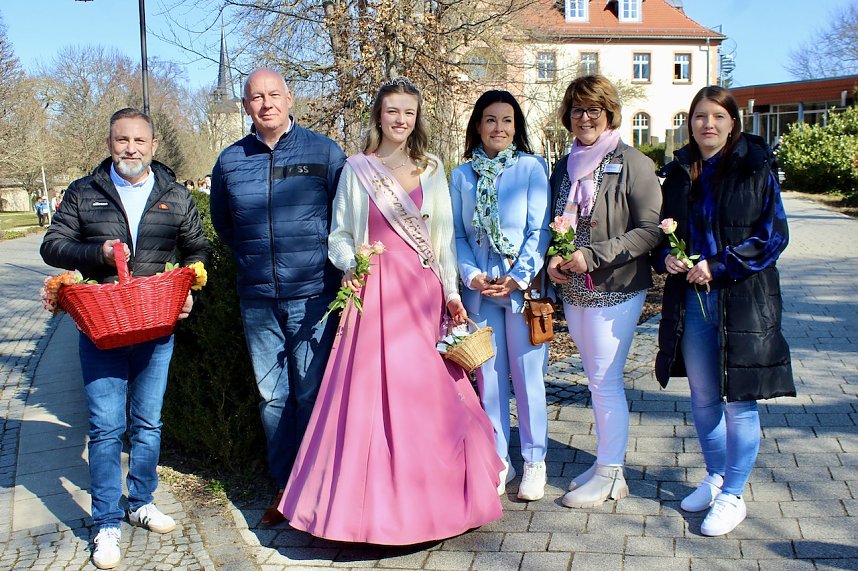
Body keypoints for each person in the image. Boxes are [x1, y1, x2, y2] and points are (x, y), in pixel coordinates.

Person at [279, 77, 503, 544]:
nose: (401, 120)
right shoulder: (357, 169)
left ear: (417, 118)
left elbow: (441, 240)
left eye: (409, 112)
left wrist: (452, 292)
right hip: (374, 295)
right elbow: (338, 236)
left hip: (421, 295)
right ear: (378, 115)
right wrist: (353, 259)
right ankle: (365, 513)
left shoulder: (432, 167)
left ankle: (433, 504)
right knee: (369, 402)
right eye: (393, 111)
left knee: (429, 398)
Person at [40, 108, 209, 570]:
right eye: (122, 140)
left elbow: (197, 248)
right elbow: (51, 244)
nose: (130, 148)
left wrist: (189, 287)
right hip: (103, 329)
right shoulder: (85, 192)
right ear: (110, 143)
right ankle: (107, 522)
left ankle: (141, 500)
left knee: (149, 424)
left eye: (139, 141)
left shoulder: (174, 194)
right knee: (106, 427)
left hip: (156, 328)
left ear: (154, 146)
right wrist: (94, 251)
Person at [209, 68, 346, 526]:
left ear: (289, 98)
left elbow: (344, 219)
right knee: (272, 398)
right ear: (246, 106)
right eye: (255, 98)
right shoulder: (230, 161)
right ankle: (284, 486)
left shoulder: (324, 152)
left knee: (311, 393)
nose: (265, 104)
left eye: (273, 95)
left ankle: (318, 486)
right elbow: (226, 226)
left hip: (314, 296)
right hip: (258, 298)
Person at [655, 85, 794, 536]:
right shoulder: (679, 172)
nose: (707, 124)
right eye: (699, 116)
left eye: (717, 116)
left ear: (733, 122)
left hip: (742, 301)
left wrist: (718, 265)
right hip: (691, 302)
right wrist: (667, 260)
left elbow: (774, 236)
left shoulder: (756, 167)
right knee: (702, 398)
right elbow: (661, 235)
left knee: (740, 400)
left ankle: (734, 494)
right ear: (690, 122)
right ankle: (715, 477)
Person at [545, 75, 662, 509]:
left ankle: (612, 475)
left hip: (615, 288)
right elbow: (559, 223)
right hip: (575, 291)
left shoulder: (632, 162)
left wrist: (592, 256)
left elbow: (649, 231)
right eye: (577, 110)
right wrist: (554, 260)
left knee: (605, 381)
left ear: (609, 112)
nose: (585, 117)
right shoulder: (567, 163)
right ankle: (603, 464)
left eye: (594, 108)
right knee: (597, 382)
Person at [450, 90, 551, 501]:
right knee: (489, 382)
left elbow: (539, 230)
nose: (499, 128)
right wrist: (472, 276)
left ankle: (535, 461)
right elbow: (455, 234)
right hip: (480, 295)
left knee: (528, 381)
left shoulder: (531, 168)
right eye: (491, 120)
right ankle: (498, 460)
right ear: (478, 125)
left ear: (516, 127)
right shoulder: (461, 175)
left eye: (507, 121)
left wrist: (517, 276)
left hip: (520, 294)